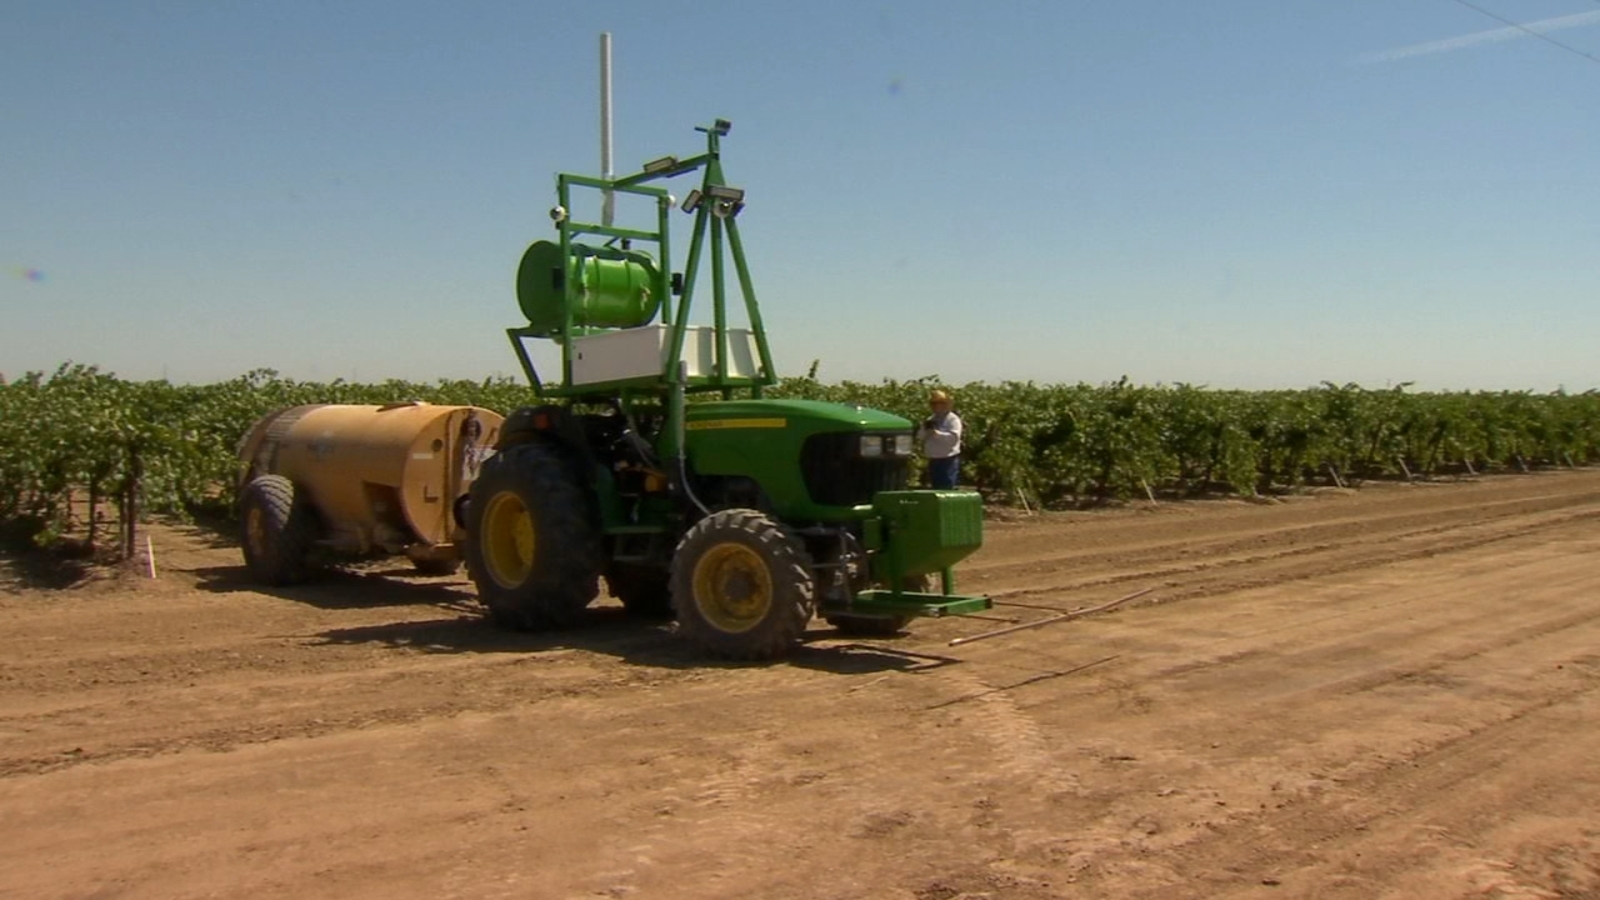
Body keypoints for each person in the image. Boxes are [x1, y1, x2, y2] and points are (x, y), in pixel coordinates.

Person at [917, 389, 962, 489]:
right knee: (936, 487)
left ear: (946, 404)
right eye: (934, 403)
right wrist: (926, 432)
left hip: (947, 460)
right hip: (933, 459)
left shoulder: (953, 419)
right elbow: (920, 436)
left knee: (946, 487)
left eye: (940, 403)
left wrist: (937, 434)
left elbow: (953, 438)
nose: (937, 406)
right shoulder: (930, 419)